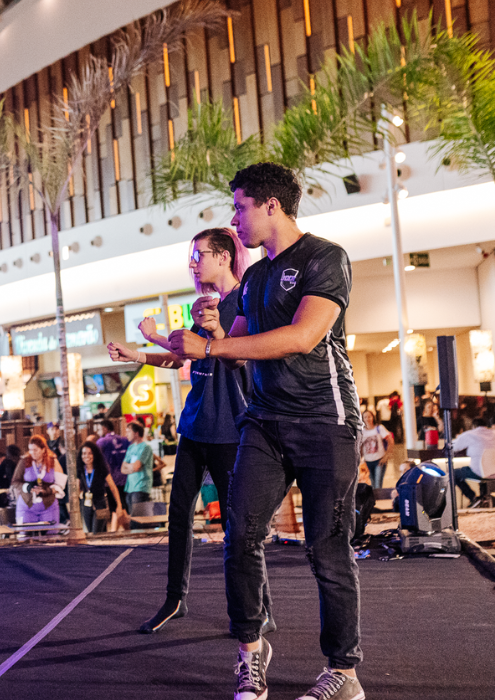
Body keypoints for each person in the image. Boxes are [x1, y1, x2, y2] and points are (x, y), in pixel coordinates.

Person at [166, 163, 365, 700]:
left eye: (239, 207)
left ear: (270, 206)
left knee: (328, 549)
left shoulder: (326, 258)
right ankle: (251, 653)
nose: (234, 219)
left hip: (327, 421)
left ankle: (343, 673)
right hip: (264, 421)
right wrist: (205, 334)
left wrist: (214, 345)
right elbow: (235, 346)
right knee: (240, 536)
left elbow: (302, 337)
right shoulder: (252, 279)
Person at [109, 226, 274, 636]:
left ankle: (260, 607)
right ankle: (174, 599)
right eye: (193, 255)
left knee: (238, 525)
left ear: (223, 257)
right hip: (196, 425)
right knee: (178, 514)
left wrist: (216, 332)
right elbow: (183, 356)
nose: (194, 262)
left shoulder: (245, 301)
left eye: (200, 254)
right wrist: (141, 352)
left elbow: (238, 359)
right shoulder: (205, 304)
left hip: (232, 430)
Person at [11, 435, 62, 526]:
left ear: (43, 449)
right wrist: (27, 487)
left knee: (51, 535)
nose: (32, 453)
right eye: (30, 450)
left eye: (35, 450)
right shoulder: (24, 461)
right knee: (25, 535)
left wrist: (48, 490)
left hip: (48, 505)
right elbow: (15, 481)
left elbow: (61, 483)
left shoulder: (53, 461)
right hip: (27, 505)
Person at [452, 416, 495, 506]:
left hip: (480, 473)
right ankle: (484, 499)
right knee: (483, 470)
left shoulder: (470, 434)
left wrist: (458, 438)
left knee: (453, 473)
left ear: (474, 426)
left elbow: (454, 447)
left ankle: (473, 498)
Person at [77, 441, 125, 533]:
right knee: (91, 532)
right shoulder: (80, 469)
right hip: (86, 504)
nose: (86, 456)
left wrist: (119, 505)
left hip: (101, 504)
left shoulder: (101, 468)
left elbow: (113, 487)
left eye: (90, 453)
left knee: (96, 533)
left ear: (94, 454)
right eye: (84, 453)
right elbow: (76, 487)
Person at [120, 421, 155, 517]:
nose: (126, 434)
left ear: (136, 433)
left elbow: (137, 466)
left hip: (141, 486)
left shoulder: (146, 447)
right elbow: (122, 468)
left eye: (128, 432)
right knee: (132, 517)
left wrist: (130, 467)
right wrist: (132, 468)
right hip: (130, 487)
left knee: (139, 518)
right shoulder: (130, 448)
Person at [95, 419, 130, 510]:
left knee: (114, 508)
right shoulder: (125, 440)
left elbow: (97, 458)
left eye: (99, 429)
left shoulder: (101, 442)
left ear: (105, 428)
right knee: (124, 505)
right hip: (125, 478)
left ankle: (117, 522)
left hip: (110, 479)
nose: (98, 432)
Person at [358, 410, 393, 489]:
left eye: (369, 416)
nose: (367, 419)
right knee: (372, 484)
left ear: (373, 417)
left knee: (378, 484)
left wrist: (387, 455)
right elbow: (360, 446)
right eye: (365, 417)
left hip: (379, 460)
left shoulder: (379, 428)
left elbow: (390, 440)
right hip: (368, 461)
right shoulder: (362, 432)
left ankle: (378, 499)